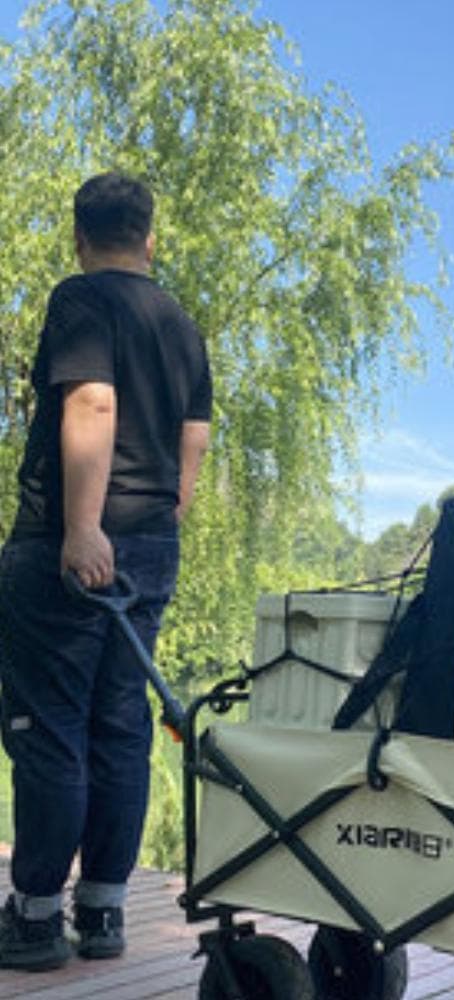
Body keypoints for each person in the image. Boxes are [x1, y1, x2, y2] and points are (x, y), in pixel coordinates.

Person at [0, 172, 212, 971]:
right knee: (120, 725)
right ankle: (102, 912)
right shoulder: (182, 325)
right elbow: (193, 438)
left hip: (72, 542)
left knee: (51, 726)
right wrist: (162, 517)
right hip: (151, 544)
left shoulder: (81, 298)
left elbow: (92, 401)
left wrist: (85, 526)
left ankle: (34, 920)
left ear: (79, 237)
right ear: (149, 239)